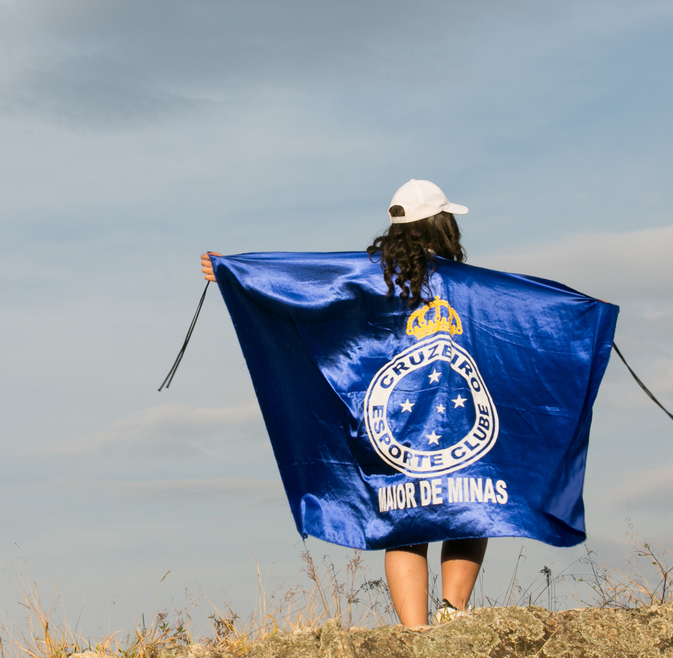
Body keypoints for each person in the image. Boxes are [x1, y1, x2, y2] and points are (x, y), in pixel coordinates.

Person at [200, 179, 486, 628]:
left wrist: (236, 274)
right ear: (443, 224)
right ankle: (455, 613)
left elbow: (306, 284)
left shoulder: (367, 276)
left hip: (390, 425)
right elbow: (529, 311)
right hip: (457, 418)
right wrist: (588, 316)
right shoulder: (469, 284)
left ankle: (414, 634)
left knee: (405, 522)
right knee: (470, 508)